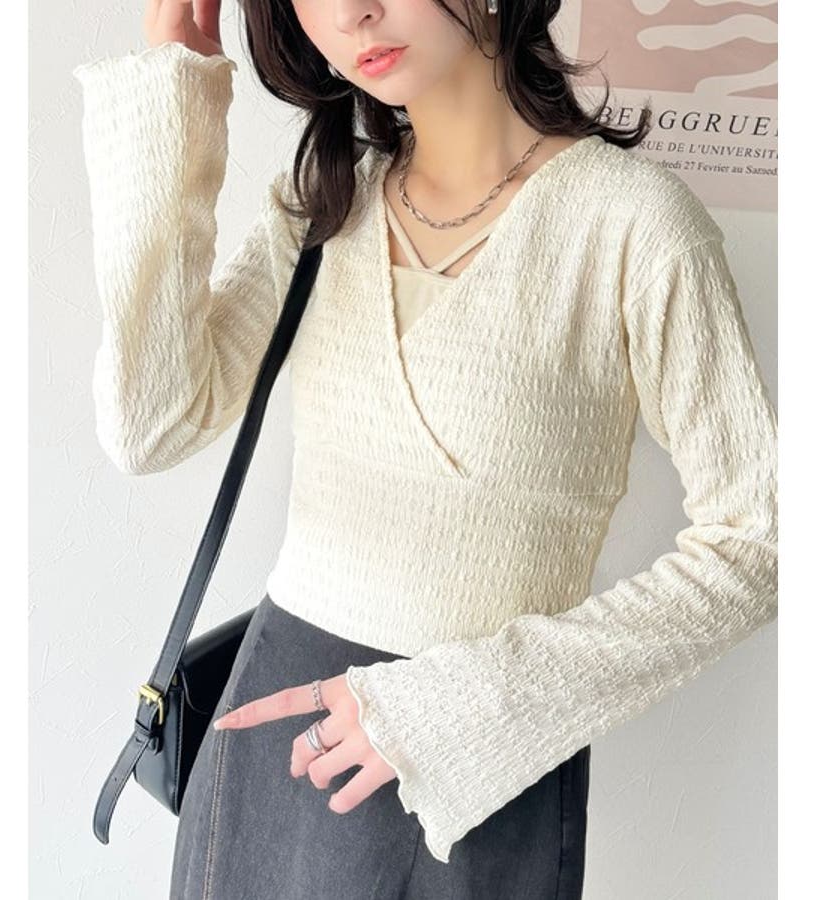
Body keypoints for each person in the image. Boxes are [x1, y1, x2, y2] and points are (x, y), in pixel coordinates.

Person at [72, 0, 778, 897]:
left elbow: (763, 534)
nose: (352, 13)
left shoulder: (633, 225)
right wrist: (175, 85)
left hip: (483, 757)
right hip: (277, 740)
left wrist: (454, 710)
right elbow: (150, 425)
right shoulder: (323, 201)